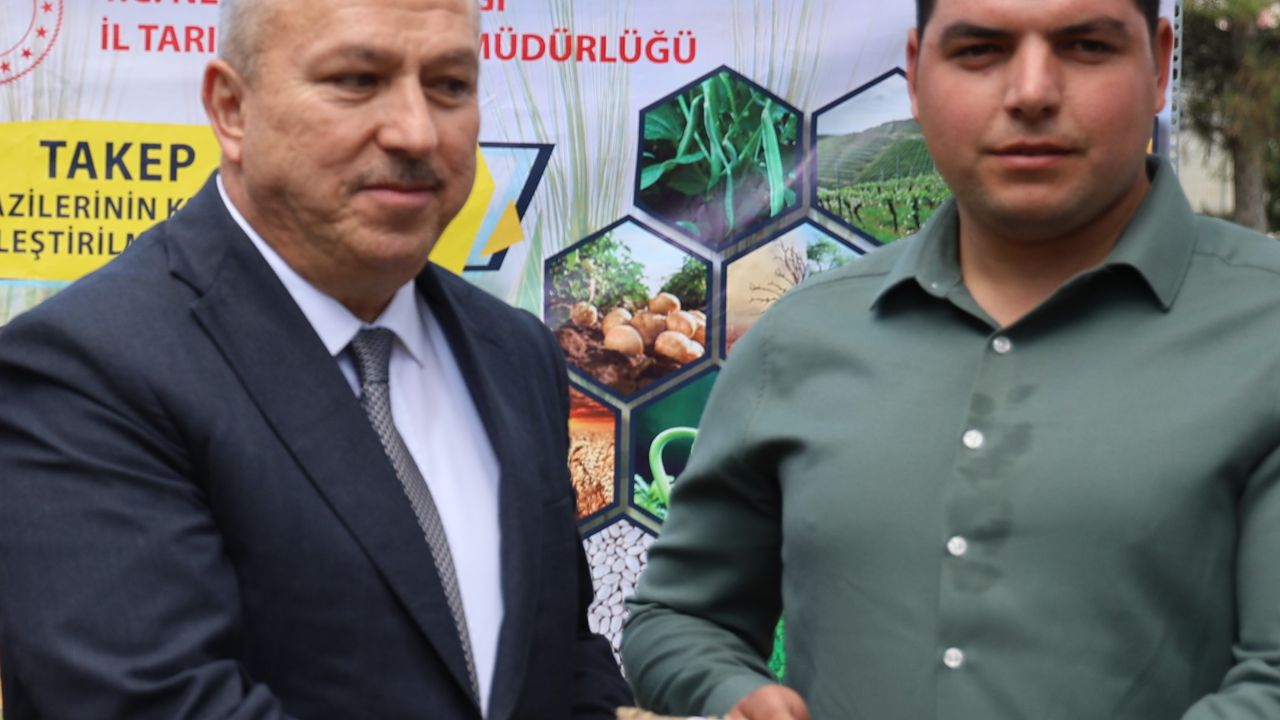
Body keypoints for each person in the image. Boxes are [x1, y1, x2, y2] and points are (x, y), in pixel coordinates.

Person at [621, 0, 1280, 717]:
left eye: (1086, 45)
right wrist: (731, 692)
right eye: (980, 50)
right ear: (915, 73)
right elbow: (679, 617)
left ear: (1157, 65)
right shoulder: (799, 338)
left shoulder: (1263, 329)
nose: (1032, 92)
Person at [0, 0, 630, 718]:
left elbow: (563, 660)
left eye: (450, 85)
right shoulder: (86, 371)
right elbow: (152, 701)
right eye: (357, 80)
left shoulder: (515, 354)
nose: (416, 131)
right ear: (231, 109)